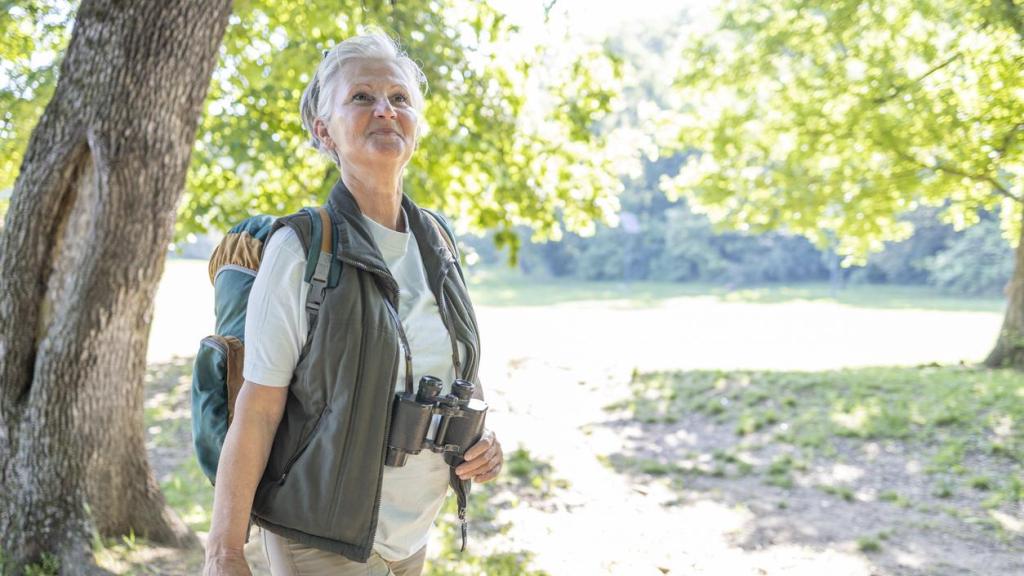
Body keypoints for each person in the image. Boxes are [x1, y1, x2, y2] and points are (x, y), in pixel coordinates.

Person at [203, 32, 503, 576]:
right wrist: (224, 551)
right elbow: (260, 405)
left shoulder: (436, 239)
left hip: (411, 534)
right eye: (361, 97)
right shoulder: (302, 247)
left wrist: (485, 442)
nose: (386, 109)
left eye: (400, 98)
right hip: (322, 538)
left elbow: (455, 362)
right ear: (325, 132)